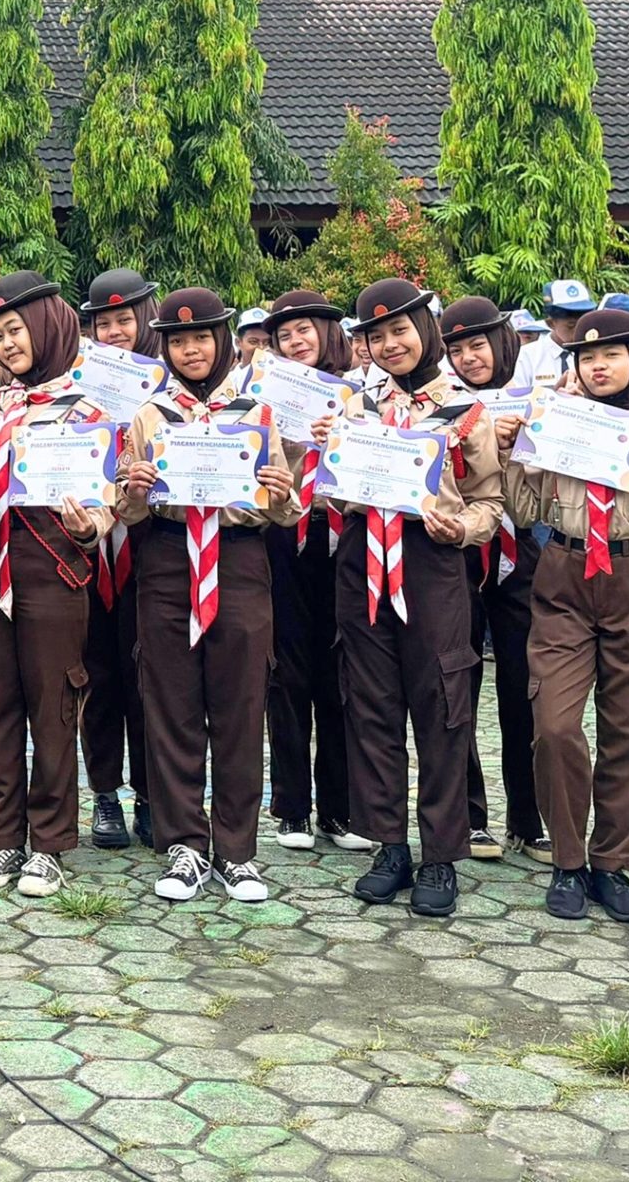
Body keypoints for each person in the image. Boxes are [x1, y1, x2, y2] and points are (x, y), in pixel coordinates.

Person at [503, 309, 629, 924]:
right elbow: (523, 506)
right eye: (588, 357)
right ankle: (567, 861)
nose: (597, 365)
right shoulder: (557, 423)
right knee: (555, 724)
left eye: (612, 355)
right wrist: (521, 455)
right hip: (562, 576)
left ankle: (613, 864)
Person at [322, 278, 503, 918]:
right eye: (375, 335)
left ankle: (440, 855)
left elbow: (490, 501)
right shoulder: (354, 409)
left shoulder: (465, 410)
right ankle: (389, 844)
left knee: (442, 705)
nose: (389, 344)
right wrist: (329, 473)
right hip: (360, 561)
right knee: (370, 705)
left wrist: (465, 528)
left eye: (399, 330)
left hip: (433, 565)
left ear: (424, 330)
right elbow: (334, 495)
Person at [117, 288, 292, 904]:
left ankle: (238, 851)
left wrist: (275, 490)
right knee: (171, 706)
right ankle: (185, 845)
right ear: (165, 347)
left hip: (239, 562)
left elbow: (286, 506)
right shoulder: (149, 416)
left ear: (222, 341)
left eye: (202, 338)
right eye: (179, 341)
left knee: (241, 705)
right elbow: (128, 510)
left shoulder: (258, 412)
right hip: (166, 561)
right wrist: (134, 487)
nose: (191, 350)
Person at [0, 272, 111, 897]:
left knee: (53, 708)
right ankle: (2, 838)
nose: (7, 344)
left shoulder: (91, 407)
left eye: (17, 330)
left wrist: (92, 525)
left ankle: (48, 842)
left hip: (53, 566)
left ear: (49, 326)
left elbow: (110, 498)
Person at [256, 289, 362, 855]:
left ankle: (340, 809)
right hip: (283, 534)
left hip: (346, 537)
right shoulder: (263, 399)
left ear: (329, 332)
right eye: (285, 335)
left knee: (341, 673)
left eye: (305, 330)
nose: (296, 342)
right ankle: (292, 808)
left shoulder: (360, 396)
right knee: (288, 671)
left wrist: (342, 437)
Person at [439, 296, 541, 864]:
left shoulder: (546, 400)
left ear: (503, 341)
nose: (468, 358)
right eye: (456, 348)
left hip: (522, 552)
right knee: (458, 686)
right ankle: (469, 817)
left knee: (526, 687)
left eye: (477, 344)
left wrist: (522, 446)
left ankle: (529, 818)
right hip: (458, 555)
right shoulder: (441, 407)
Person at [73, 267, 157, 853]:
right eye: (104, 323)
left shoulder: (175, 387)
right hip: (86, 546)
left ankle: (155, 797)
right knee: (95, 673)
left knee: (156, 678)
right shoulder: (74, 390)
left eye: (125, 319)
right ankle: (105, 795)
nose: (115, 331)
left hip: (155, 551)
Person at [511, 280, 598, 388]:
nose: (579, 330)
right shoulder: (526, 356)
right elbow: (518, 399)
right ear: (551, 323)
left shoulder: (596, 354)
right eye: (571, 326)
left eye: (584, 322)